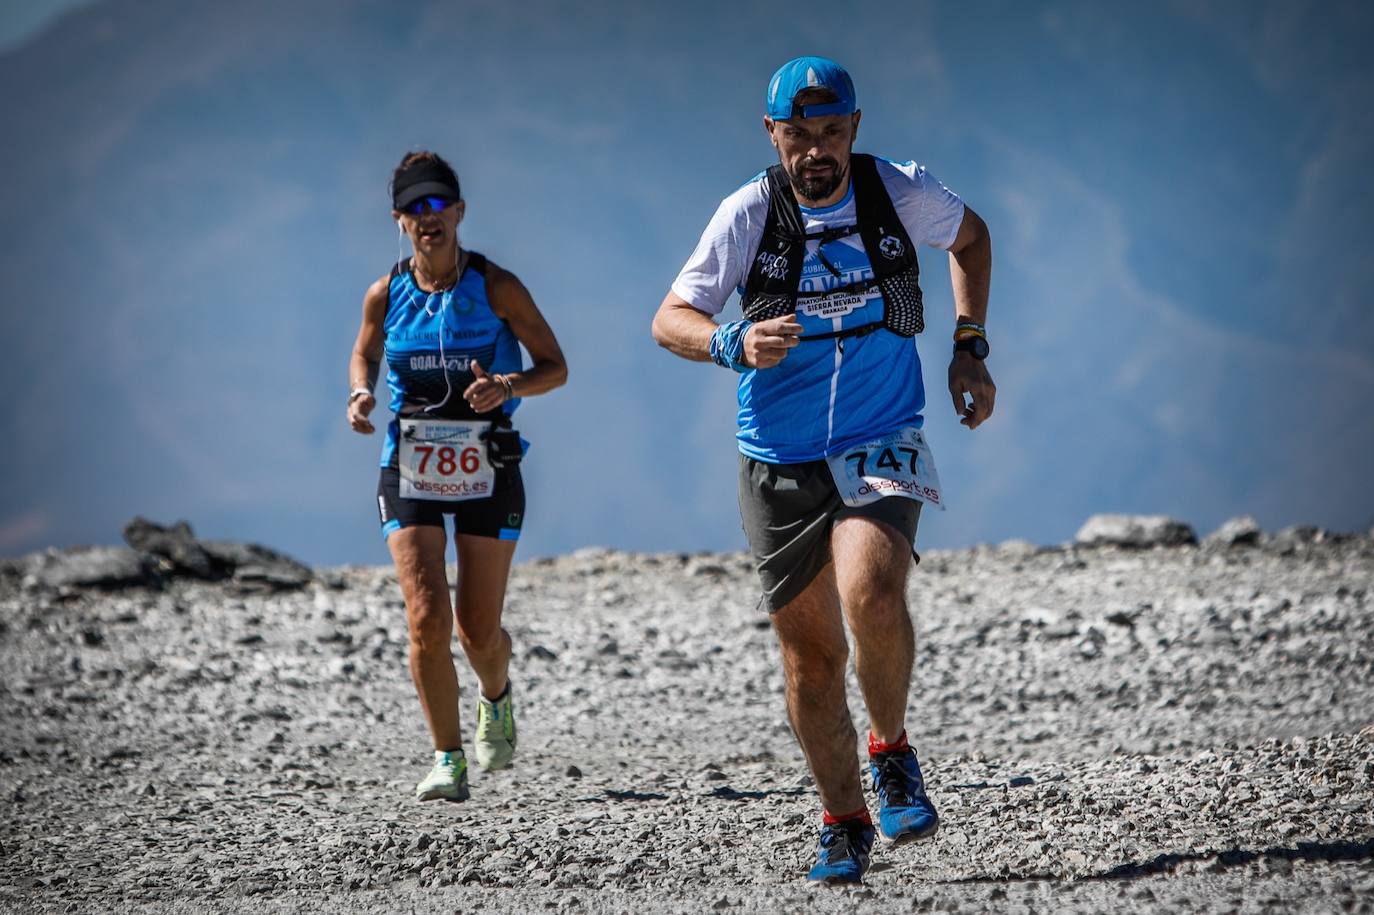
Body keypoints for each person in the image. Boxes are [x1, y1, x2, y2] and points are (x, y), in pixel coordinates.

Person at [651, 57, 995, 882]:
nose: (816, 151)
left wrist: (969, 344)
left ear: (856, 128)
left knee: (871, 593)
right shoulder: (746, 215)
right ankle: (843, 820)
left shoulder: (896, 191)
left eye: (831, 133)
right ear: (772, 134)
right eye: (798, 135)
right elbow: (670, 319)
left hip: (882, 430)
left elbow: (972, 238)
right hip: (778, 456)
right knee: (810, 659)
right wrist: (731, 342)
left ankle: (891, 751)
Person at [347, 151, 568, 802]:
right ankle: (447, 756)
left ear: (460, 212)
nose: (429, 217)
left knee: (476, 629)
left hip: (488, 460)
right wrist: (360, 392)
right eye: (416, 208)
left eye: (439, 204)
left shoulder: (496, 286)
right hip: (409, 461)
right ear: (398, 220)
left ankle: (495, 695)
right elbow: (365, 349)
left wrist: (506, 384)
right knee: (425, 618)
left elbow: (555, 365)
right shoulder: (386, 293)